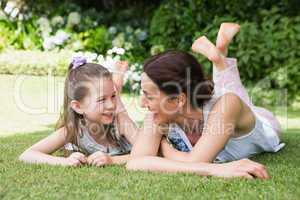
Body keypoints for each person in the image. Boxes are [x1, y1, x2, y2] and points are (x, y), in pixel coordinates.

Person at [127, 23, 284, 179]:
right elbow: (135, 163)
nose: (142, 103)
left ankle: (220, 58)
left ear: (178, 100)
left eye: (149, 95)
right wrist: (215, 170)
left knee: (232, 95)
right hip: (210, 103)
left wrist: (164, 149)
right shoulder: (160, 114)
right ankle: (219, 56)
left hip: (265, 123)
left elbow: (195, 161)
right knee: (226, 90)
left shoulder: (226, 105)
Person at [19, 57, 138, 166]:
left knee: (118, 107)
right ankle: (116, 82)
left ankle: (117, 81)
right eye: (101, 99)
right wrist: (65, 161)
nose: (111, 105)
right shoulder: (73, 130)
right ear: (78, 107)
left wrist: (112, 160)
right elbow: (27, 155)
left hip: (124, 121)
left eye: (113, 96)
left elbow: (149, 153)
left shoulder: (120, 120)